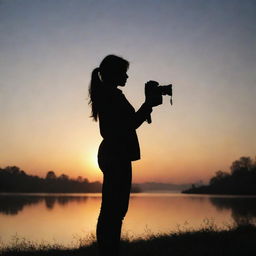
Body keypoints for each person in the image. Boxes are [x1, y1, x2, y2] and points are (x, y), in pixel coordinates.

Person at [88, 54, 161, 256]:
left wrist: (147, 105)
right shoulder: (112, 95)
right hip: (116, 154)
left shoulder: (109, 94)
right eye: (124, 73)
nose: (127, 77)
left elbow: (127, 123)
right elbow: (128, 125)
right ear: (114, 74)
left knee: (113, 209)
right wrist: (147, 104)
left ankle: (109, 250)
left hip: (114, 153)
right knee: (114, 210)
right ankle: (109, 251)